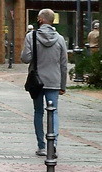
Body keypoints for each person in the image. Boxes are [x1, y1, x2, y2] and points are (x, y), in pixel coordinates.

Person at [21, 8, 68, 156]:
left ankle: (41, 146)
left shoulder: (31, 36)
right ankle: (52, 143)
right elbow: (64, 64)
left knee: (38, 112)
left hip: (37, 81)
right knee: (53, 113)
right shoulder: (60, 39)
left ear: (41, 20)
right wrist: (63, 85)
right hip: (54, 80)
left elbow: (25, 58)